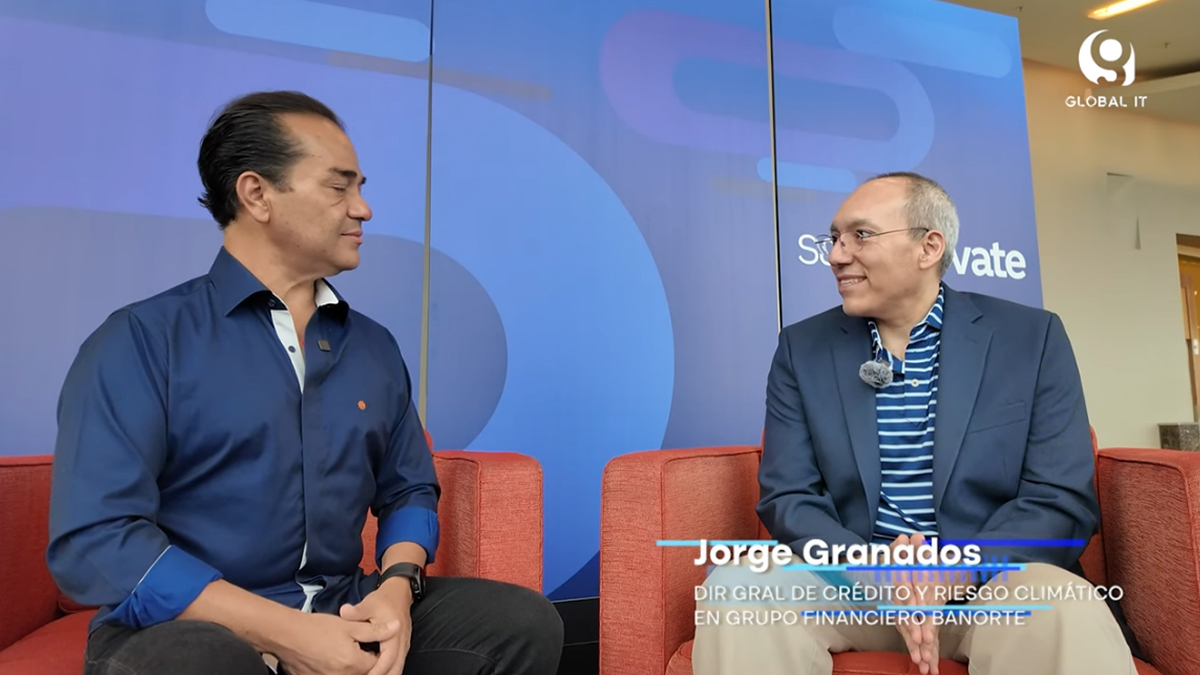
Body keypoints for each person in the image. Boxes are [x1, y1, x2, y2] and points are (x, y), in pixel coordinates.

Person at [47, 90, 563, 675]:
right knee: (199, 663)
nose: (363, 209)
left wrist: (396, 590)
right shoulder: (141, 340)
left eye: (360, 188)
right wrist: (287, 634)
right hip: (190, 628)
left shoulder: (373, 347)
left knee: (521, 625)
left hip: (342, 607)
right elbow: (96, 537)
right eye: (339, 187)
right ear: (257, 194)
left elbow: (409, 490)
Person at [692, 172, 1140, 675]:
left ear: (929, 247)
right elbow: (788, 495)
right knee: (739, 587)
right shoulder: (803, 348)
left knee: (1063, 606)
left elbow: (1061, 499)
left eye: (860, 235)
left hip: (991, 588)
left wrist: (955, 570)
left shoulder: (1030, 339)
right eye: (834, 238)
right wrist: (877, 571)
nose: (836, 254)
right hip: (855, 587)